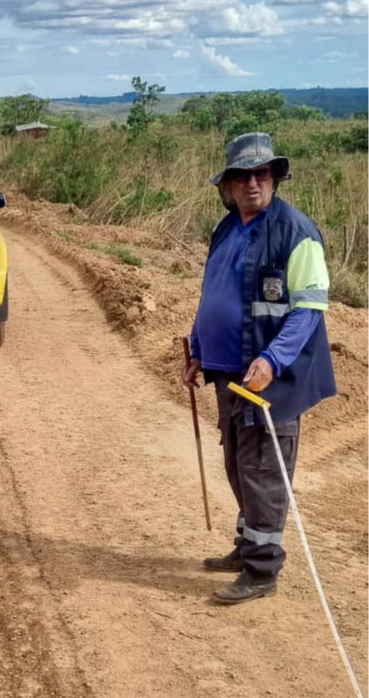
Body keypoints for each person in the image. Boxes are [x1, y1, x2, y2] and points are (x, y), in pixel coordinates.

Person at [182, 132, 336, 605]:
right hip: (229, 372)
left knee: (264, 469)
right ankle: (249, 544)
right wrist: (197, 348)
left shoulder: (296, 232)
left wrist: (272, 359)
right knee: (237, 463)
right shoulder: (226, 229)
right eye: (242, 175)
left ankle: (263, 570)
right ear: (227, 185)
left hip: (274, 379)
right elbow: (215, 294)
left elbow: (309, 309)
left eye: (261, 174)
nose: (252, 183)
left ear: (273, 178)